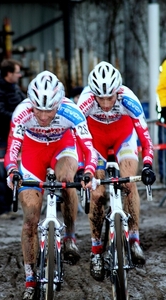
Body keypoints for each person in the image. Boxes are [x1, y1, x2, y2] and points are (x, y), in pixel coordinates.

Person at [4, 71, 98, 299]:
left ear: (59, 103)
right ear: (31, 103)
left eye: (49, 110)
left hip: (62, 147)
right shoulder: (22, 112)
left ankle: (70, 237)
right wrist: (12, 170)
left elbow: (89, 148)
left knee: (67, 181)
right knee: (30, 220)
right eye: (39, 109)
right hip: (33, 153)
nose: (44, 116)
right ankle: (30, 278)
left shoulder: (71, 111)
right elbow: (12, 150)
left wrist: (89, 170)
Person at [77, 61, 156, 282]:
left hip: (123, 138)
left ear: (117, 92)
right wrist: (83, 168)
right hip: (96, 143)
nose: (104, 103)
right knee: (96, 193)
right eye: (99, 98)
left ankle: (134, 238)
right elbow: (75, 138)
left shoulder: (128, 98)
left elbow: (146, 140)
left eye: (109, 97)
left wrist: (148, 164)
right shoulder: (85, 101)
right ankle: (95, 250)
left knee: (130, 184)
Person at [0, 58, 26, 219]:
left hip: (11, 138)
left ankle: (9, 207)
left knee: (12, 173)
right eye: (17, 72)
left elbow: (24, 103)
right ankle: (0, 210)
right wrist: (20, 118)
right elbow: (0, 114)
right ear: (9, 73)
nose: (20, 75)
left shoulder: (14, 88)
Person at [156, 58, 166, 184]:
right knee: (163, 146)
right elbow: (161, 89)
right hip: (164, 111)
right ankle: (164, 176)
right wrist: (162, 110)